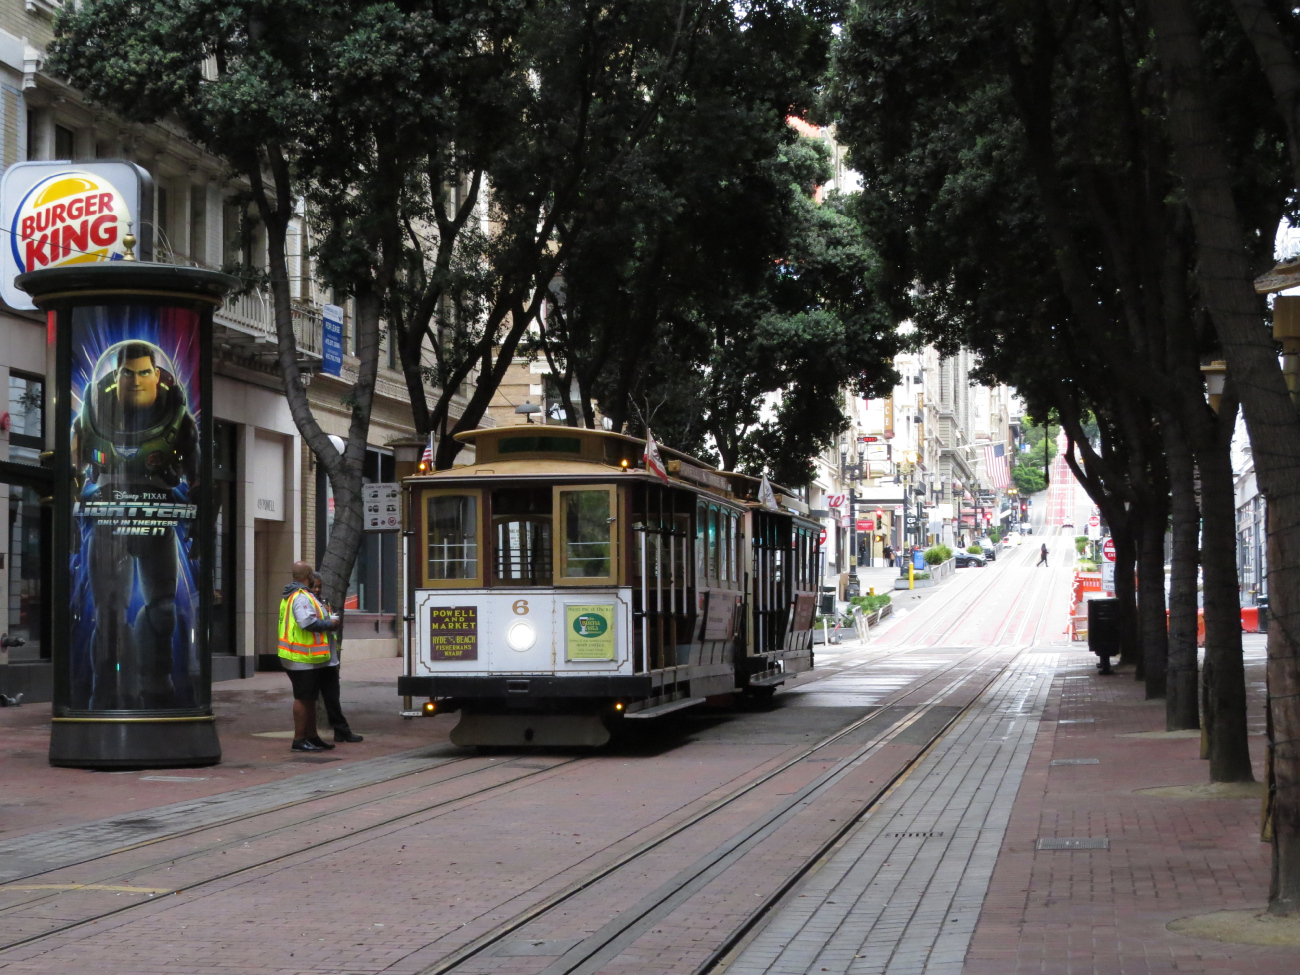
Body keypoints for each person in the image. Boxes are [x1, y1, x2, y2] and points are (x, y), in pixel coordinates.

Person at [73, 342, 199, 710]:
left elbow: (202, 480)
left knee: (162, 610)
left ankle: (155, 687)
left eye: (144, 372)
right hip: (108, 517)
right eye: (128, 373)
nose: (135, 380)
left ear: (157, 375)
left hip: (157, 514)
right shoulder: (95, 413)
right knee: (109, 614)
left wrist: (202, 524)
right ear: (117, 374)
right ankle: (110, 690)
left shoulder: (179, 420)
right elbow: (70, 470)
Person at [277, 561, 341, 752]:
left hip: (303, 657)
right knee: (303, 698)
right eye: (311, 574)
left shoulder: (293, 595)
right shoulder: (301, 597)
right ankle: (299, 740)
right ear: (307, 575)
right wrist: (330, 624)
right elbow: (306, 622)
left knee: (309, 698)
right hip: (300, 657)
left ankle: (312, 736)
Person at [310, 572, 363, 744]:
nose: (317, 590)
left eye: (319, 586)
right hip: (312, 658)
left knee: (332, 697)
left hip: (327, 656)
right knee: (310, 698)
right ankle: (312, 734)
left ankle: (341, 731)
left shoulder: (322, 604)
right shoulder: (306, 602)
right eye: (314, 586)